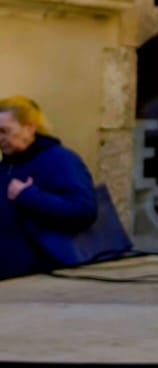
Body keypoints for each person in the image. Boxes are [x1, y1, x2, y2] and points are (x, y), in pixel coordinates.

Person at [0, 97, 98, 280]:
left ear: (30, 128)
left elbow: (83, 209)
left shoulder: (60, 160)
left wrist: (28, 195)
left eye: (4, 131)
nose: (0, 138)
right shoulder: (8, 165)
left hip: (42, 273)